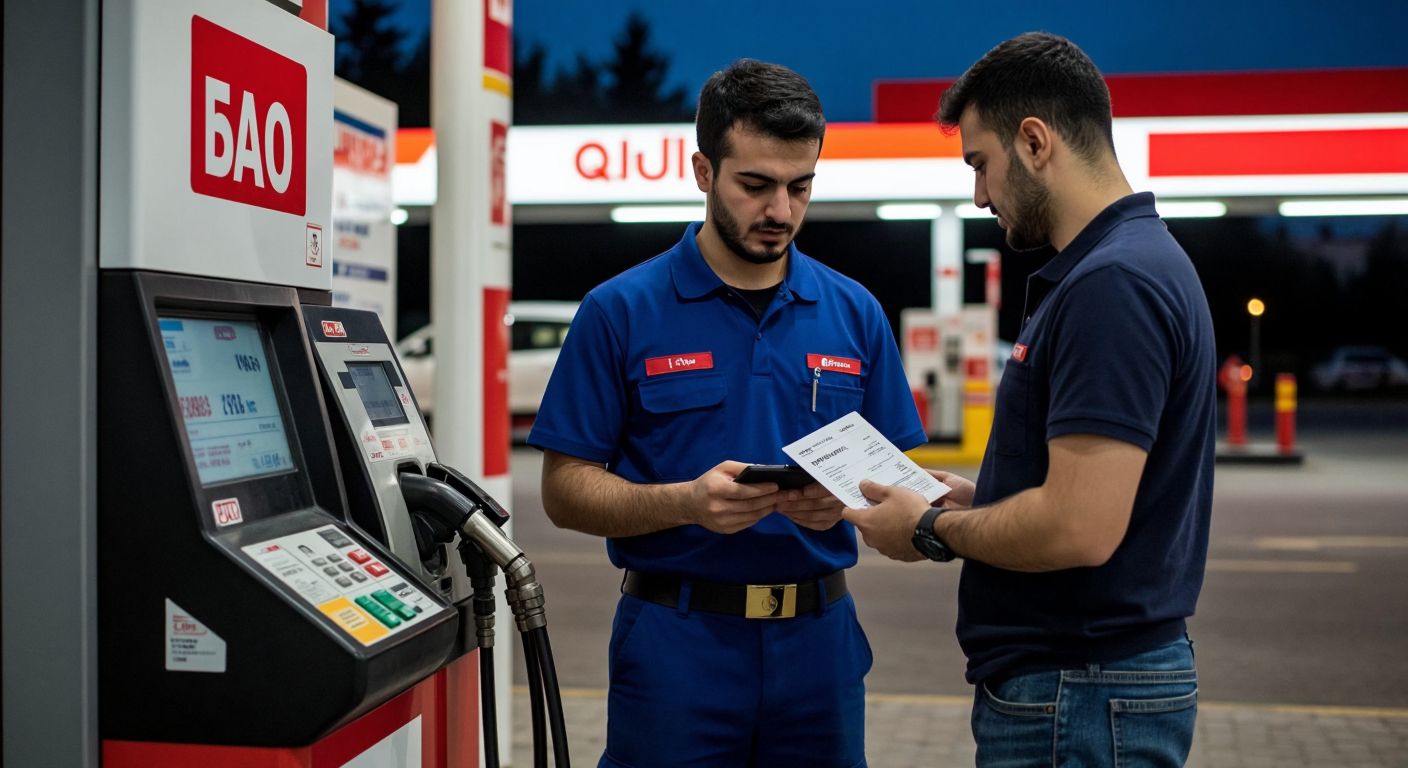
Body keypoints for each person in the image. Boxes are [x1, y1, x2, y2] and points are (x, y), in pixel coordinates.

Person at [528, 59, 926, 767]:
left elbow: (898, 482)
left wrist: (846, 507)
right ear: (704, 172)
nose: (780, 211)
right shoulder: (620, 311)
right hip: (677, 645)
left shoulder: (855, 313)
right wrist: (685, 503)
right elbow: (564, 491)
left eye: (800, 187)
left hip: (819, 645)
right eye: (756, 185)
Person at [843, 33, 1216, 767]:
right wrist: (982, 499)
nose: (978, 193)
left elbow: (1079, 528)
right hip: (1092, 686)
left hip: (1078, 692)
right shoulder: (1135, 262)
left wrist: (929, 529)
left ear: (1036, 141)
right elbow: (1102, 496)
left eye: (980, 163)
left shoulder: (1113, 286)